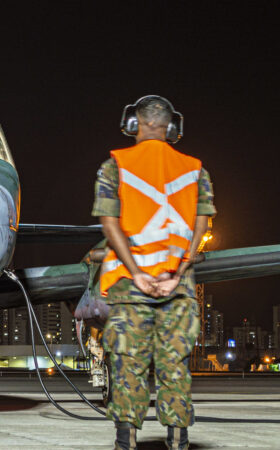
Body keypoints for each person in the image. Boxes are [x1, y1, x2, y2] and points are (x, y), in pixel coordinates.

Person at [92, 96, 216, 450]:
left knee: (128, 366)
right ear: (171, 127)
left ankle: (126, 440)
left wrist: (138, 272)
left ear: (134, 123)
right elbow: (202, 224)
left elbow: (109, 223)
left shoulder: (114, 166)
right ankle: (178, 440)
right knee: (174, 366)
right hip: (177, 287)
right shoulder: (196, 170)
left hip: (132, 286)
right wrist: (178, 272)